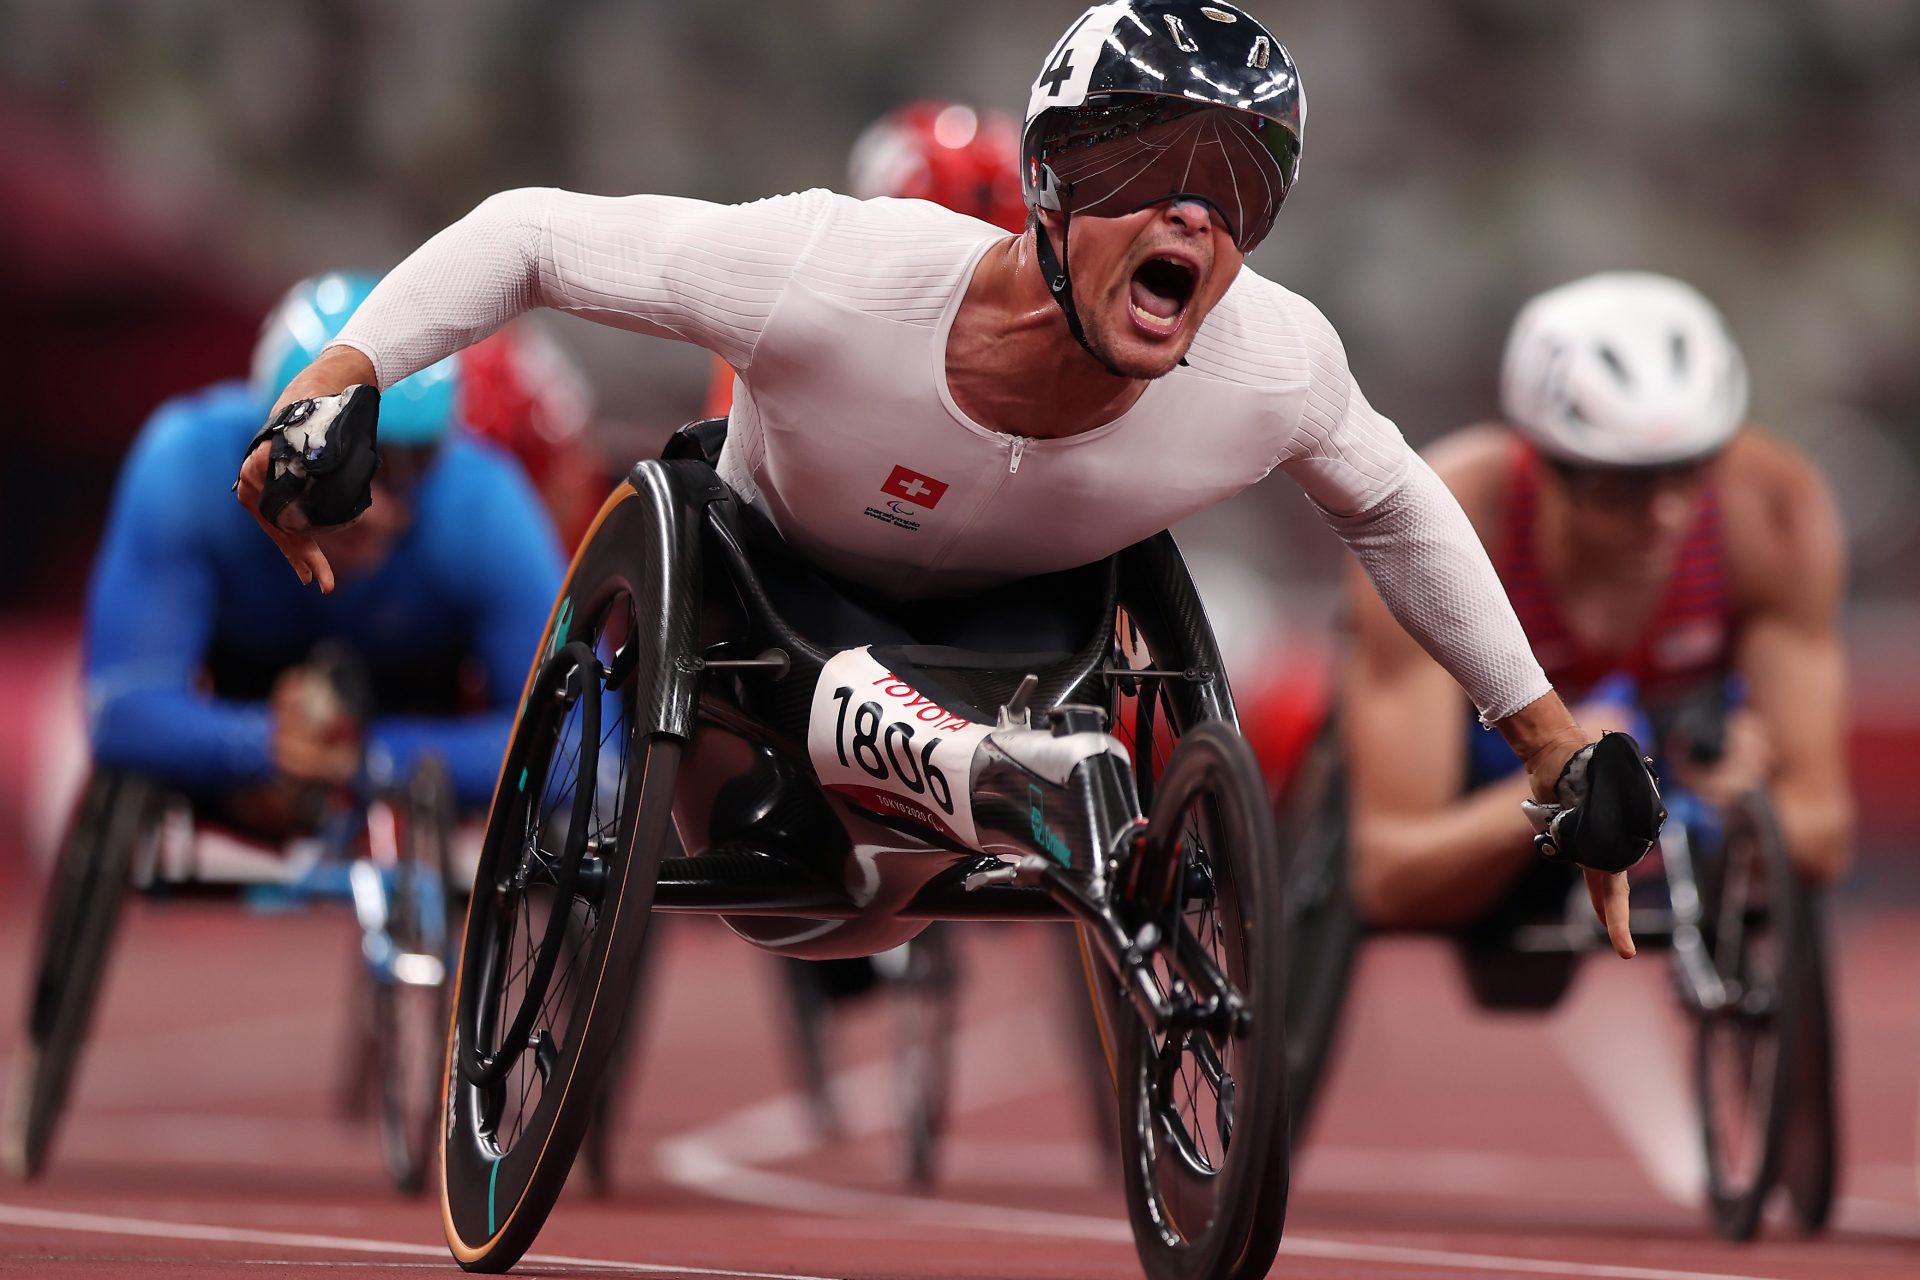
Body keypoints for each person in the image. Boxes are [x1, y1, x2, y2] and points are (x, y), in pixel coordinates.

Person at [236, 0, 1659, 950]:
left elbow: (1401, 507)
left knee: (925, 780)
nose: (1194, 212)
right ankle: (1012, 783)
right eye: (1151, 163)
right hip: (762, 647)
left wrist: (1549, 742)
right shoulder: (839, 269)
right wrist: (335, 383)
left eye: (1241, 188)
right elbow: (531, 231)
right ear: (1046, 184)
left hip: (1018, 651)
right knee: (854, 694)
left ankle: (1019, 780)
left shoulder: (1276, 362)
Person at [1341, 271, 1851, 932]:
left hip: (1677, 741)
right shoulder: (1446, 520)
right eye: (1624, 485)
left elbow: (1824, 835)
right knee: (1516, 983)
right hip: (1502, 760)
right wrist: (1573, 777)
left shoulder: (1770, 512)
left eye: (1691, 470)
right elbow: (1390, 877)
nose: (1666, 514)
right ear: (1543, 459)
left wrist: (1746, 807)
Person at [87, 270, 565, 827]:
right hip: (250, 704)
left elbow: (578, 752)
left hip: (406, 715)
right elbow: (119, 713)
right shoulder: (187, 465)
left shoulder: (484, 505)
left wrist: (371, 759)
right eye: (335, 461)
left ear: (444, 449)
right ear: (270, 442)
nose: (375, 506)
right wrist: (256, 744)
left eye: (412, 463)